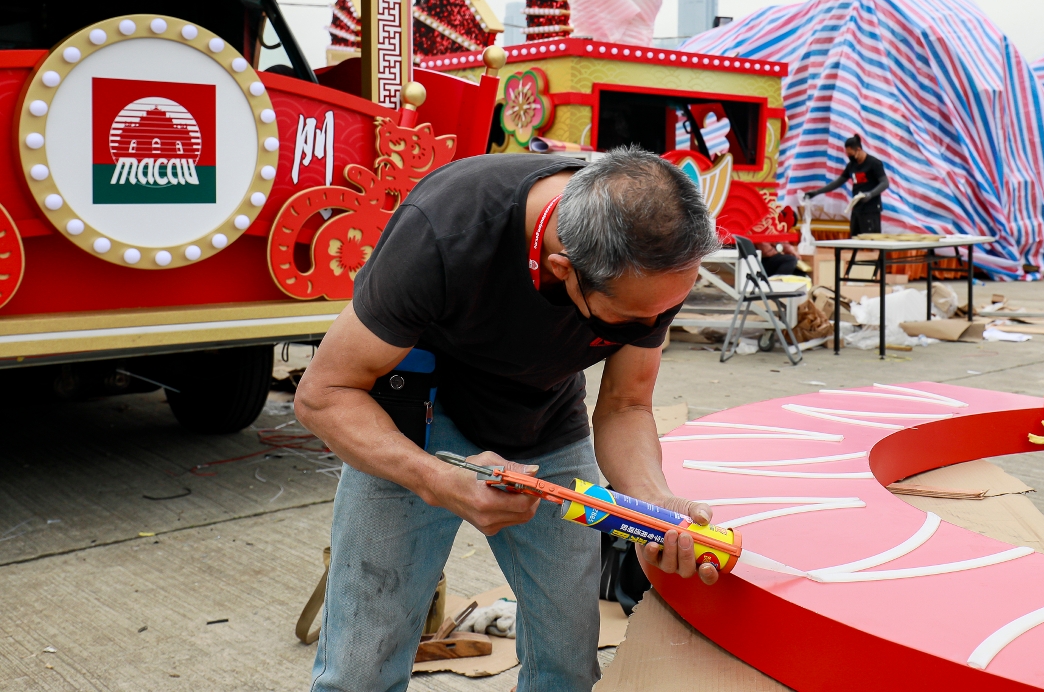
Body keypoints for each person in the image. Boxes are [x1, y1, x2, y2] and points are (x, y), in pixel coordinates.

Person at [295, 148, 725, 692]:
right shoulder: (446, 229)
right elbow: (323, 394)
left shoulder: (649, 246)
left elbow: (626, 404)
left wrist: (653, 504)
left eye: (664, 311)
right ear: (562, 270)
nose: (653, 324)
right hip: (416, 422)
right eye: (634, 320)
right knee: (360, 668)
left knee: (568, 664)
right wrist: (437, 479)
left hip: (546, 420)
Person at [803, 134, 889, 236]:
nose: (849, 157)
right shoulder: (851, 166)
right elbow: (837, 182)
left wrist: (870, 194)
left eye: (851, 154)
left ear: (858, 149)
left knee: (871, 240)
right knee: (855, 238)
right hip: (857, 208)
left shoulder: (874, 163)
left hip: (871, 209)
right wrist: (817, 192)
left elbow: (885, 183)